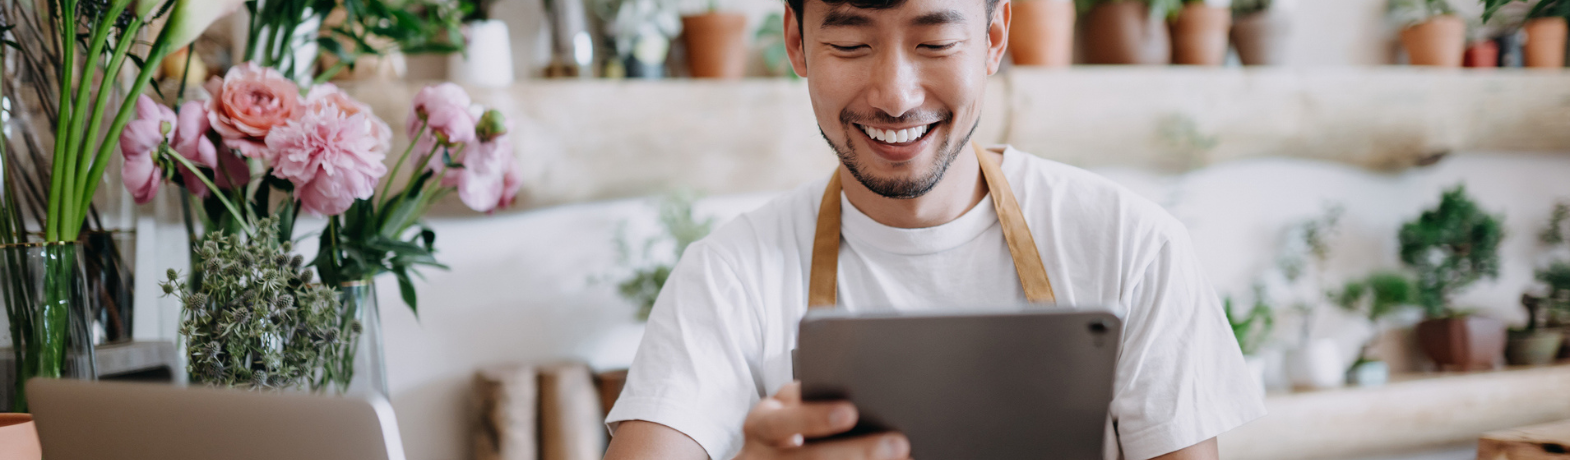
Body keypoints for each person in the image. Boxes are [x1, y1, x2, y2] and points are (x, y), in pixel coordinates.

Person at [601, 0, 1266, 457]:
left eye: (936, 42)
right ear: (798, 42)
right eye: (850, 43)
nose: (894, 93)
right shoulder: (728, 276)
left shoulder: (1133, 246)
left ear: (994, 37)